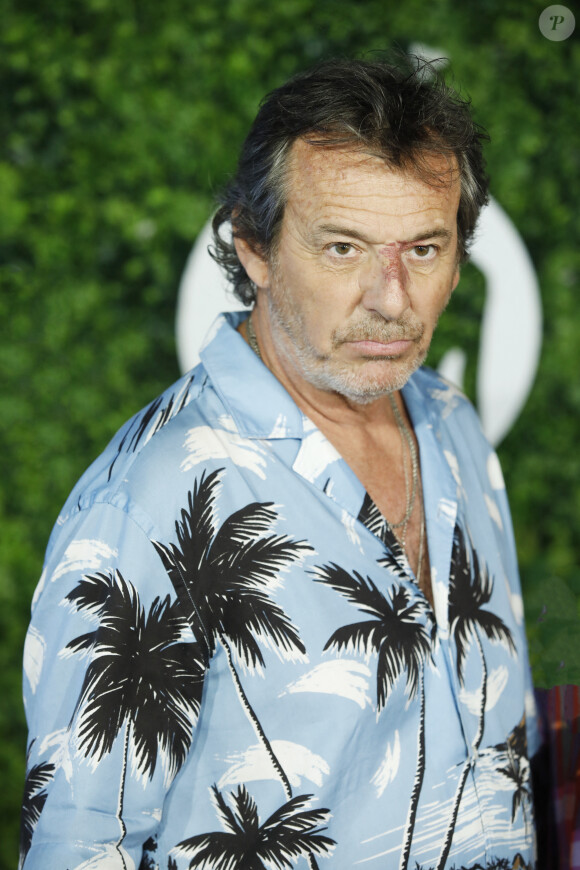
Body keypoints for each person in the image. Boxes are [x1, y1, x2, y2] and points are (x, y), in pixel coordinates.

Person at [21, 58, 542, 870]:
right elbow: (81, 845)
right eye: (342, 248)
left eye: (425, 249)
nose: (392, 298)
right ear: (254, 249)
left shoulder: (452, 423)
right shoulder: (152, 500)